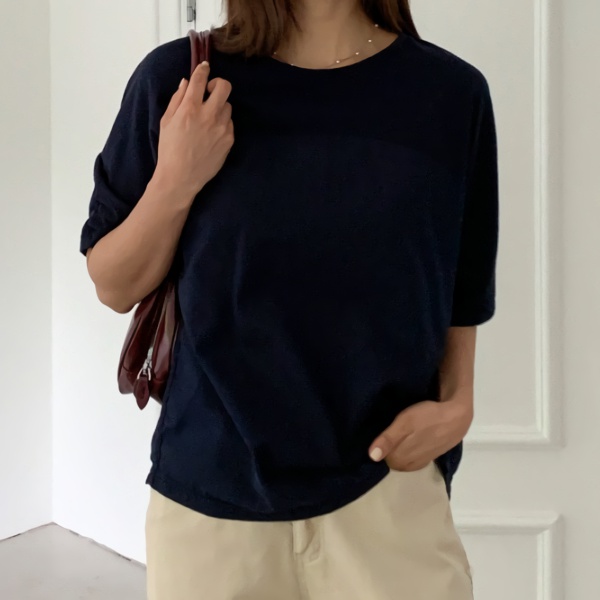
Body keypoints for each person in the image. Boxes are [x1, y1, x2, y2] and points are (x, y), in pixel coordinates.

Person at [80, 0, 499, 598]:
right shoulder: (182, 79)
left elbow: (464, 278)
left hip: (389, 496)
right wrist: (176, 179)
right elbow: (114, 284)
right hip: (213, 508)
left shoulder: (451, 94)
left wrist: (459, 402)